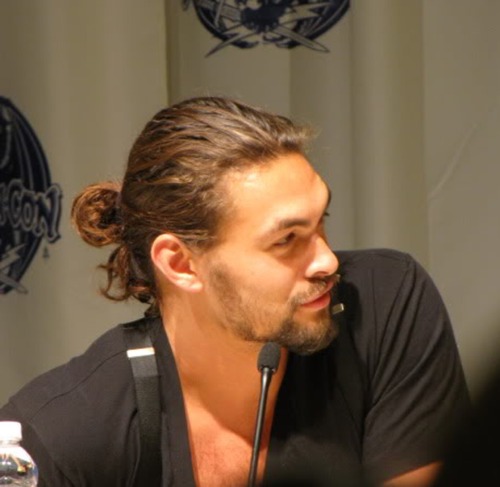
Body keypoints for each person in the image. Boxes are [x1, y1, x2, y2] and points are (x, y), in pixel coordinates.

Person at [0, 96, 469, 487]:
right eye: (286, 240)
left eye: (320, 221)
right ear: (180, 263)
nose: (327, 261)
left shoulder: (382, 304)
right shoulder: (56, 433)